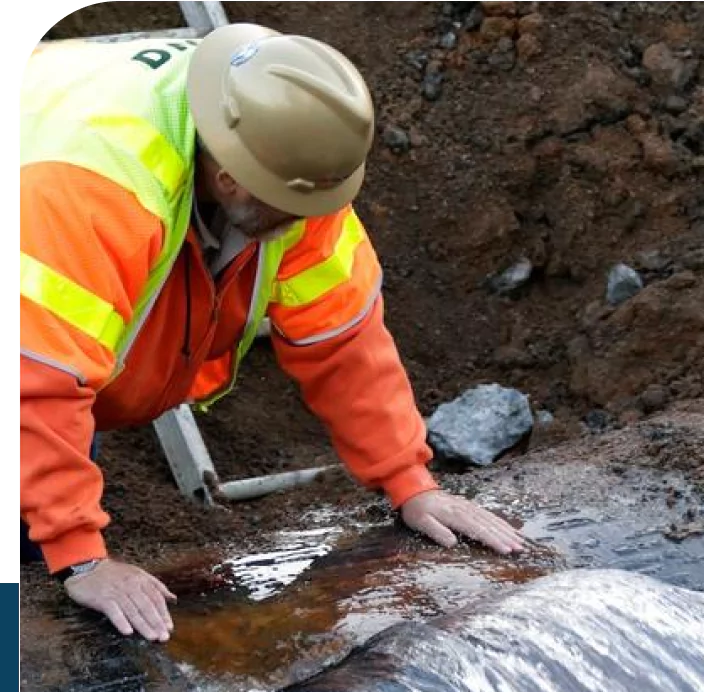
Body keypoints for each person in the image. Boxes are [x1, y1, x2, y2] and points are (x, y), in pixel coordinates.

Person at [19, 23, 524, 644]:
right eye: (291, 208)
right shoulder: (94, 189)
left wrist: (409, 483)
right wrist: (81, 554)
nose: (310, 223)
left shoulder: (285, 164)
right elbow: (35, 378)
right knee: (40, 537)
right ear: (232, 179)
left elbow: (345, 338)